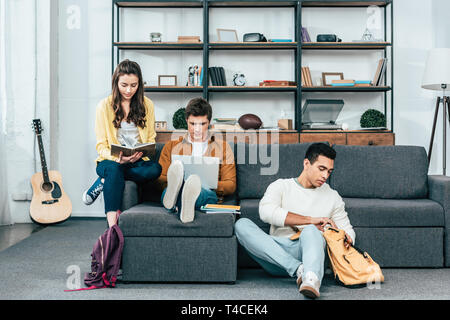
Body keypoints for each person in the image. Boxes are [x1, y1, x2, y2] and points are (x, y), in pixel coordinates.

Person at [234, 143, 355, 299]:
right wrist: (310, 220)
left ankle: (311, 278)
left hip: (312, 253)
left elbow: (348, 230)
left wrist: (343, 235)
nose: (325, 176)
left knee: (311, 231)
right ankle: (299, 270)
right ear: (306, 164)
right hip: (276, 254)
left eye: (329, 171)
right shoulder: (281, 186)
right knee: (241, 225)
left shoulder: (333, 196)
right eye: (321, 169)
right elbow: (266, 212)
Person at [82, 59, 162, 227]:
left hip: (137, 161)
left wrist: (140, 154)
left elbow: (150, 139)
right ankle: (112, 227)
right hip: (110, 161)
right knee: (114, 169)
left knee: (156, 169)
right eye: (124, 85)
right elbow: (101, 145)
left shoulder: (148, 105)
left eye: (134, 85)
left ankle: (103, 181)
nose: (128, 90)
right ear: (116, 82)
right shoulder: (104, 106)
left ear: (139, 84)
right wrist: (117, 157)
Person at [156, 97, 236, 223]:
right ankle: (183, 202)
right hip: (175, 188)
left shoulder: (223, 147)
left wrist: (205, 184)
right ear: (186, 120)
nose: (197, 129)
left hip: (207, 192)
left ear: (209, 122)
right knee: (169, 191)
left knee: (201, 193)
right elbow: (160, 178)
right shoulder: (171, 146)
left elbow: (230, 185)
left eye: (202, 124)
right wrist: (180, 183)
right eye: (192, 124)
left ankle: (177, 205)